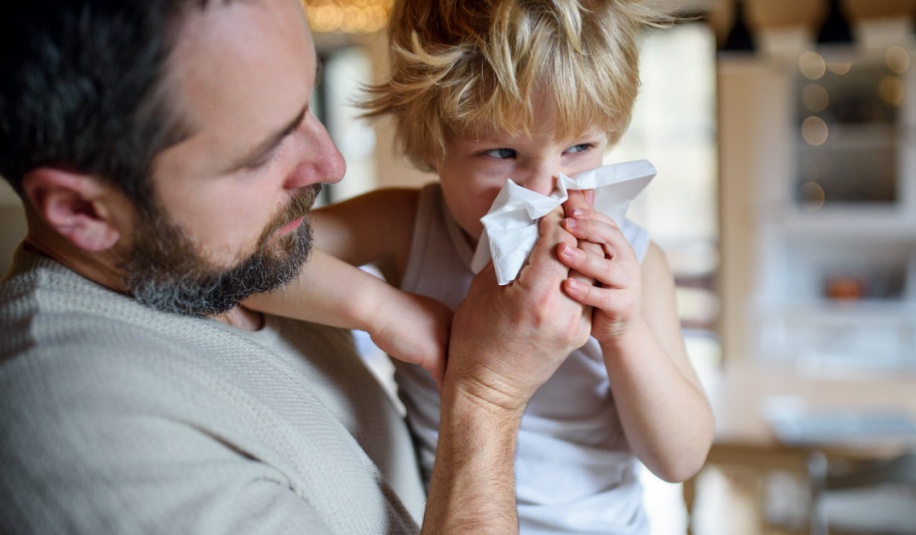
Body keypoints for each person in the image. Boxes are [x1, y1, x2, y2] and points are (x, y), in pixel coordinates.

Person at [0, 0, 596, 533]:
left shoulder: (239, 262)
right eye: (261, 154)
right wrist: (488, 397)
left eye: (306, 105)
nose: (332, 165)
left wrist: (382, 307)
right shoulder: (80, 429)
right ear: (82, 210)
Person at [246, 0, 715, 532]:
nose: (546, 188)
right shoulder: (408, 226)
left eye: (580, 147)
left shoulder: (634, 263)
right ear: (434, 146)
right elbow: (244, 257)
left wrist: (625, 333)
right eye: (502, 153)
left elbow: (680, 459)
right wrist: (389, 311)